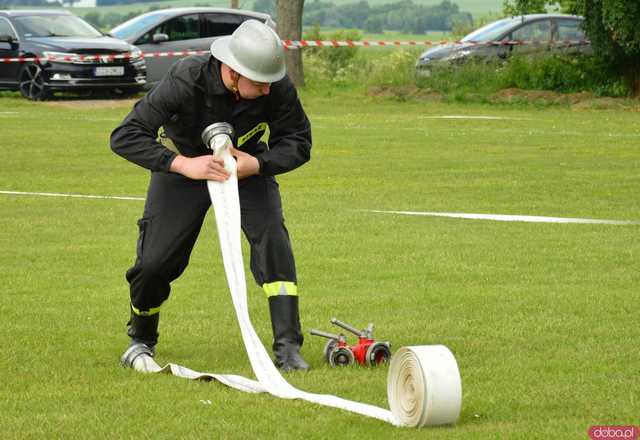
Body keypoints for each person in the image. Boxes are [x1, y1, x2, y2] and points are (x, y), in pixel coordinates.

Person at [110, 20, 312, 372]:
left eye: (270, 82)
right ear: (232, 72)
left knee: (273, 241)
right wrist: (181, 164)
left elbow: (298, 141)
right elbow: (125, 135)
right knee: (155, 262)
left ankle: (288, 348)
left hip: (246, 168)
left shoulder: (274, 86)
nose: (267, 91)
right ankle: (142, 337)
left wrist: (258, 164)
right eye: (259, 83)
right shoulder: (186, 78)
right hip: (185, 167)